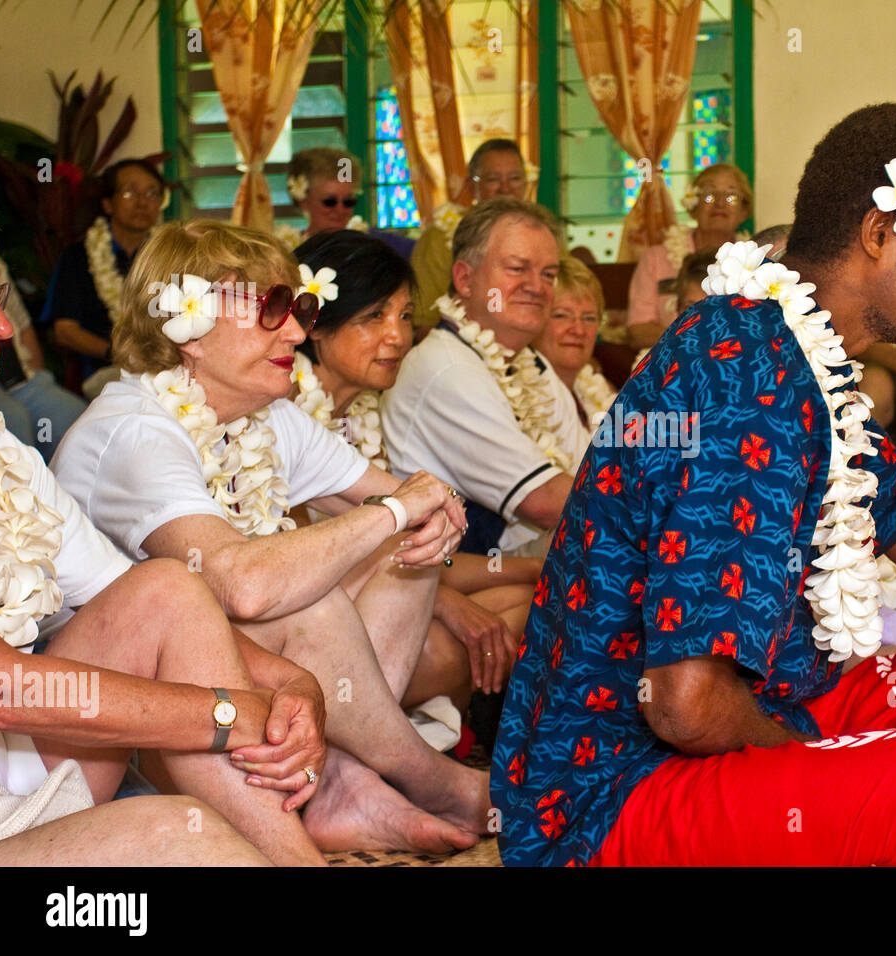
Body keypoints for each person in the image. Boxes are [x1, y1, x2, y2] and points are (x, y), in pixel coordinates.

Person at [491, 103, 896, 867]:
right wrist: (813, 762)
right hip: (614, 790)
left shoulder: (816, 362)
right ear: (880, 235)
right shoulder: (746, 372)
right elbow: (686, 706)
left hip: (771, 699)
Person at [52, 219, 489, 854]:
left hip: (246, 695)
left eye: (301, 307)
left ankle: (347, 780)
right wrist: (399, 509)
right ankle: (421, 776)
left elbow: (404, 496)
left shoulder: (268, 415)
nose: (297, 330)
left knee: (393, 544)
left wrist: (429, 504)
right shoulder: (135, 430)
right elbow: (245, 586)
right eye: (274, 309)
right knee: (314, 588)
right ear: (190, 332)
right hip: (123, 731)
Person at [0, 286, 326, 866]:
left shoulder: (3, 448)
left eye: (0, 298)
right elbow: (7, 688)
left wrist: (293, 687)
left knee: (168, 587)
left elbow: (129, 592)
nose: (4, 328)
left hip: (18, 778)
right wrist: (224, 714)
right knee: (180, 836)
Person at [289, 229, 539, 713]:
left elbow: (409, 555)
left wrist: (539, 566)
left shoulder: (363, 415)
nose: (398, 336)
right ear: (314, 326)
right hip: (304, 632)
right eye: (374, 317)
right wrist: (444, 602)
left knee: (531, 595)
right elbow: (305, 575)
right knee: (458, 646)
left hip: (378, 604)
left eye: (405, 316)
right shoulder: (285, 416)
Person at [384, 198, 584, 559]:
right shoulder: (448, 367)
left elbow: (590, 465)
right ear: (464, 278)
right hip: (457, 575)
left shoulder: (532, 362)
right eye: (517, 268)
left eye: (549, 274)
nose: (536, 287)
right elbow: (545, 503)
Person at [41, 157, 164, 398]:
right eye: (130, 193)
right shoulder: (79, 257)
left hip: (165, 367)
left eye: (152, 194)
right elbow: (64, 331)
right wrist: (116, 352)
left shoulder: (167, 255)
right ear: (108, 204)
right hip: (107, 371)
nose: (142, 203)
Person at [626, 163, 752, 352]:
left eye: (731, 196)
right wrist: (691, 341)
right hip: (670, 358)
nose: (719, 203)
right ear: (692, 207)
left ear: (744, 212)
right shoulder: (657, 258)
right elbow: (638, 331)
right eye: (709, 195)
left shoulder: (756, 262)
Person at [409, 138, 532, 332]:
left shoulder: (542, 236)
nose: (506, 188)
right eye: (493, 179)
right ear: (469, 186)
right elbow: (424, 324)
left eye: (515, 178)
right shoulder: (439, 239)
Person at [0, 253, 86, 459]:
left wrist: (36, 378)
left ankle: (54, 485)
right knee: (15, 421)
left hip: (18, 374)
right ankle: (24, 489)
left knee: (72, 416)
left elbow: (22, 324)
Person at [531, 256, 617, 437]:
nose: (579, 330)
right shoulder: (521, 403)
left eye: (589, 318)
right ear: (533, 321)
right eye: (562, 315)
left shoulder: (598, 394)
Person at [280, 147, 415, 259]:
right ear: (303, 201)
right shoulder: (285, 252)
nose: (341, 210)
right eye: (330, 201)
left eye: (349, 201)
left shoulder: (377, 243)